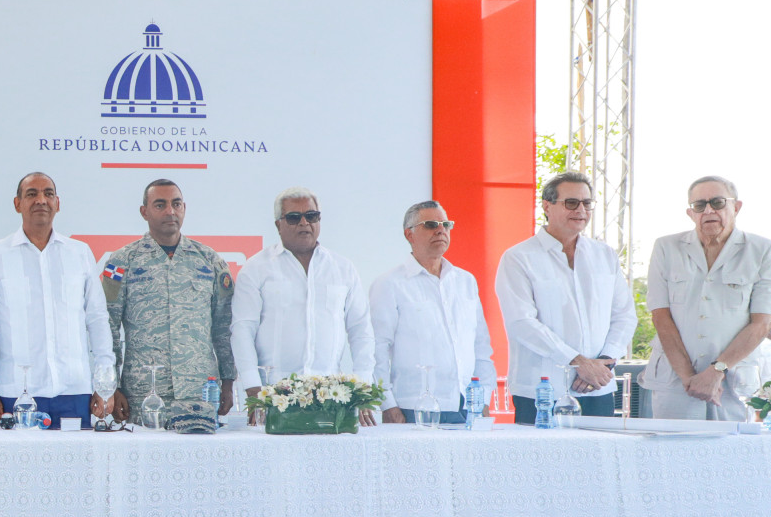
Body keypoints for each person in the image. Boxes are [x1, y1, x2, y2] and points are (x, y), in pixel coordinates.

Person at [495, 172, 637, 424]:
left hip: (598, 387)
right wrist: (577, 363)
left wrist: (603, 364)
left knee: (602, 451)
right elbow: (521, 322)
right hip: (541, 390)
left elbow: (624, 316)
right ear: (547, 206)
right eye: (571, 202)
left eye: (587, 203)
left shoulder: (605, 255)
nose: (580, 210)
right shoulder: (519, 258)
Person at [0, 172, 113, 426]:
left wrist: (105, 384)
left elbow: (97, 320)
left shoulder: (79, 253)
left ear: (57, 203)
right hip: (16, 392)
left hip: (75, 391)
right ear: (17, 204)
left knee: (78, 454)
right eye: (32, 194)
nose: (41, 200)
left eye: (48, 194)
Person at [642, 176, 771, 421]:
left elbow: (762, 323)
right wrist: (689, 379)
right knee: (671, 446)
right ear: (690, 213)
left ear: (736, 207)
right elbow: (660, 317)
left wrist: (716, 371)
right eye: (699, 205)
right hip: (675, 381)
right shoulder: (666, 247)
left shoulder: (763, 250)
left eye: (717, 203)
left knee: (734, 446)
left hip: (733, 382)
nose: (708, 211)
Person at [100, 179, 235, 431]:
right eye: (160, 205)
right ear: (144, 212)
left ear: (184, 208)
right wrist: (112, 387)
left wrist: (228, 380)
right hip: (144, 393)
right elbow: (108, 326)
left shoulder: (209, 261)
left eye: (176, 204)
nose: (170, 211)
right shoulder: (122, 262)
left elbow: (223, 327)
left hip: (199, 391)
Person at [229, 187, 374, 405]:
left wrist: (362, 386)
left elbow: (361, 330)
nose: (304, 223)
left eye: (311, 216)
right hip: (273, 394)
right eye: (294, 217)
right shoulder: (256, 268)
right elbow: (242, 329)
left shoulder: (343, 268)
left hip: (331, 395)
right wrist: (252, 386)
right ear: (278, 225)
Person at [369, 201, 496, 424]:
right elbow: (376, 349)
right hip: (413, 407)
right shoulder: (390, 284)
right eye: (430, 224)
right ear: (409, 234)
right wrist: (387, 404)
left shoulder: (465, 281)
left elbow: (481, 346)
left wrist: (484, 398)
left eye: (446, 224)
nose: (440, 230)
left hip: (466, 406)